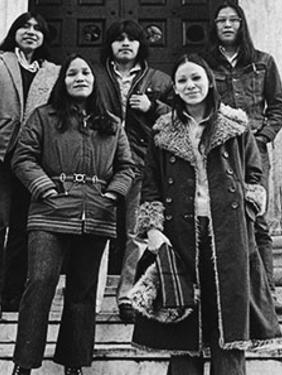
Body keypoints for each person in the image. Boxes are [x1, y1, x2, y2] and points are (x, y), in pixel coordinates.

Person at [131, 53, 282, 375]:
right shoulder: (162, 131)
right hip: (180, 233)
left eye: (196, 78)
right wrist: (154, 231)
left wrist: (249, 211)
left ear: (209, 81)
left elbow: (254, 174)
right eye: (183, 80)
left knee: (228, 329)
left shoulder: (236, 125)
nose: (190, 85)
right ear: (175, 87)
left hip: (228, 231)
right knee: (184, 328)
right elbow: (152, 185)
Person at [10, 54, 135, 375]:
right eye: (72, 74)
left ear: (95, 83)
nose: (80, 78)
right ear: (63, 82)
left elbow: (127, 167)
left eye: (86, 74)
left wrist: (112, 194)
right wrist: (44, 187)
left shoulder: (112, 124)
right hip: (50, 213)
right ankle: (24, 364)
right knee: (39, 284)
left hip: (96, 215)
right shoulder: (43, 117)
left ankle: (74, 364)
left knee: (82, 291)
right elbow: (23, 158)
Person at [0, 12, 59, 316]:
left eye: (37, 28)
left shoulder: (53, 71)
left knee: (24, 227)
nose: (31, 32)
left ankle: (12, 295)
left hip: (34, 160)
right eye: (25, 27)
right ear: (14, 31)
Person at [200, 1, 282, 315]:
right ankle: (227, 293)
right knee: (220, 220)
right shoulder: (203, 63)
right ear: (214, 26)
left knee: (257, 219)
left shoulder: (263, 62)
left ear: (242, 24)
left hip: (253, 152)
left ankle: (268, 294)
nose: (227, 25)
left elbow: (278, 107)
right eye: (221, 20)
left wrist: (261, 137)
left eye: (233, 20)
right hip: (216, 151)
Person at [95, 19, 173, 323]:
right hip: (100, 165)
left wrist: (154, 107)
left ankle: (127, 295)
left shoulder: (161, 80)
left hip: (141, 163)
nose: (125, 44)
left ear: (141, 45)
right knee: (96, 230)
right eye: (118, 39)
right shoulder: (96, 76)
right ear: (110, 45)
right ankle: (91, 297)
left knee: (135, 233)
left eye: (132, 39)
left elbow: (182, 117)